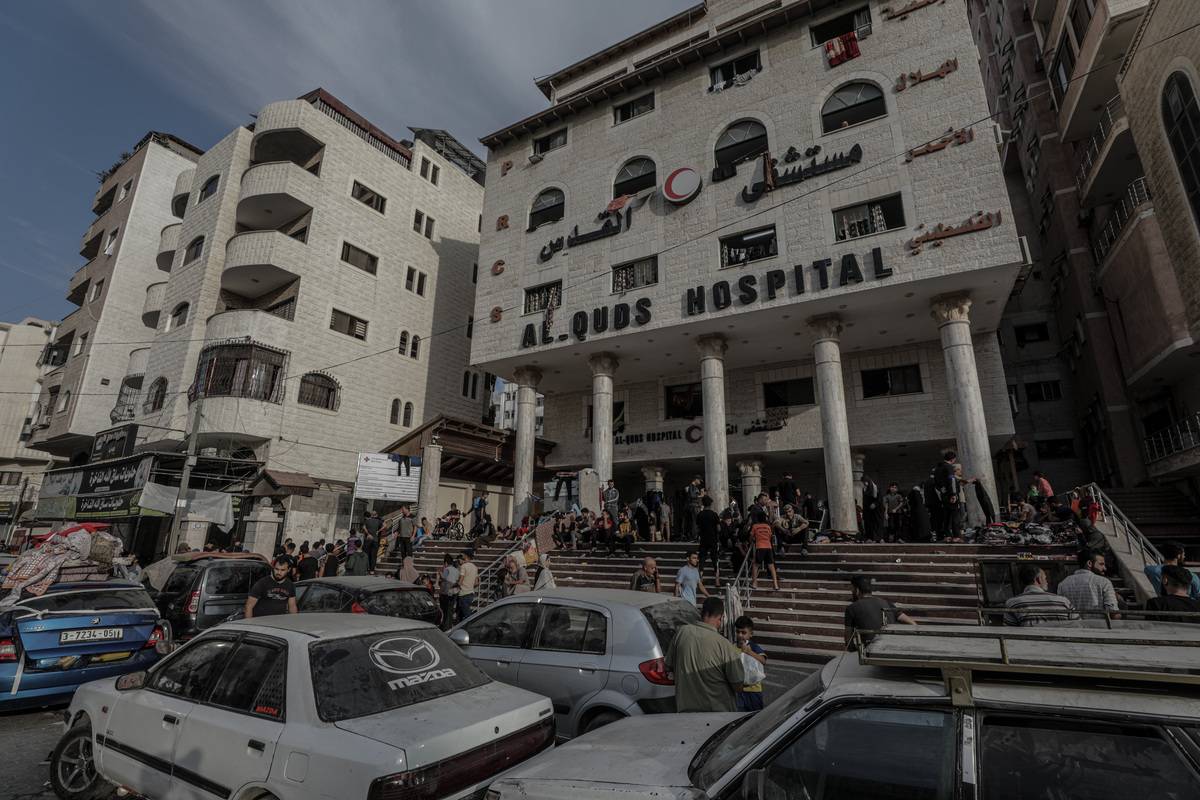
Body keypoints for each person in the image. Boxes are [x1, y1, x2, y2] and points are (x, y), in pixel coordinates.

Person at [665, 596, 745, 712]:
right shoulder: (724, 645)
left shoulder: (682, 633)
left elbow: (668, 666)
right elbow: (738, 686)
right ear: (721, 618)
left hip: (686, 714)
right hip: (718, 716)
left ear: (702, 613)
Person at [843, 575, 915, 649]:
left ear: (857, 590)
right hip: (894, 648)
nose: (851, 591)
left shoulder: (851, 608)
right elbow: (912, 623)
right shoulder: (887, 603)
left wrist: (854, 649)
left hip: (872, 653)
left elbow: (849, 642)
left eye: (852, 588)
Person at [1003, 564, 1080, 626]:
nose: (1047, 582)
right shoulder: (1063, 601)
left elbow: (1009, 633)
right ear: (1038, 579)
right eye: (1045, 578)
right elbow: (1078, 625)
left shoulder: (1012, 603)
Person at [1056, 548, 1119, 617]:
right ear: (1089, 563)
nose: (1104, 568)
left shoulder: (1063, 584)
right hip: (1099, 626)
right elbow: (1114, 614)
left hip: (1073, 626)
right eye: (1101, 564)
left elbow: (1061, 612)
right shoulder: (1104, 582)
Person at [734, 616, 767, 712]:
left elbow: (763, 660)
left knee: (754, 716)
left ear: (750, 634)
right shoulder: (732, 647)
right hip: (739, 691)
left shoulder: (753, 647)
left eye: (743, 632)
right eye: (737, 632)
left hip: (754, 690)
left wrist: (749, 652)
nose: (740, 635)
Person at [931, 451, 959, 541]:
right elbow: (952, 480)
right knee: (954, 515)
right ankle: (956, 536)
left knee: (946, 516)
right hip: (950, 494)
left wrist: (942, 491)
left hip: (943, 495)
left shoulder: (937, 468)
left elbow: (935, 483)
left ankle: (947, 535)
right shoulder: (949, 467)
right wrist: (953, 494)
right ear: (952, 459)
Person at [749, 511, 780, 592]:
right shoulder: (767, 526)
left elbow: (751, 536)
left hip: (760, 547)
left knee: (755, 565)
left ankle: (754, 583)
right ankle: (775, 585)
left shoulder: (755, 526)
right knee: (771, 566)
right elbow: (770, 536)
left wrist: (753, 540)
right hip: (768, 547)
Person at [695, 496, 721, 579]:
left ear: (703, 503)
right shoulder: (714, 514)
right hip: (713, 539)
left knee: (702, 558)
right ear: (710, 504)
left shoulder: (700, 514)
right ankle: (717, 579)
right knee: (715, 559)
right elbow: (718, 528)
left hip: (703, 539)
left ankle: (700, 576)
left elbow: (697, 527)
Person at [861, 476, 886, 543]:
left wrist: (875, 504)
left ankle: (880, 538)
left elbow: (880, 498)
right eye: (863, 482)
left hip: (878, 510)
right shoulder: (864, 489)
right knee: (870, 524)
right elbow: (865, 500)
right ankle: (872, 538)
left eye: (865, 482)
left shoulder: (876, 487)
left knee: (878, 523)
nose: (865, 484)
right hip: (869, 510)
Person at [438, 554, 459, 629]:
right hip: (454, 592)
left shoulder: (447, 569)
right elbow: (456, 580)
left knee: (444, 610)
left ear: (446, 563)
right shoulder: (456, 570)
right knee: (450, 610)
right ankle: (449, 625)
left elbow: (444, 577)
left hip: (446, 592)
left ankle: (444, 626)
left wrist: (440, 573)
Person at [456, 550, 478, 622]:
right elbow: (476, 583)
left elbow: (460, 581)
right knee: (463, 614)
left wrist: (455, 585)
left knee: (466, 615)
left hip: (463, 593)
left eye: (463, 555)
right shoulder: (475, 567)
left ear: (466, 556)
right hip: (471, 593)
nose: (462, 556)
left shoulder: (464, 566)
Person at [684, 476, 704, 540]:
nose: (700, 482)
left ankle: (694, 536)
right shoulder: (691, 486)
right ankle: (694, 536)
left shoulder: (694, 487)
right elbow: (692, 496)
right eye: (699, 481)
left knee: (694, 521)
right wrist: (700, 495)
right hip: (693, 506)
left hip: (694, 506)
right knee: (695, 522)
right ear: (696, 479)